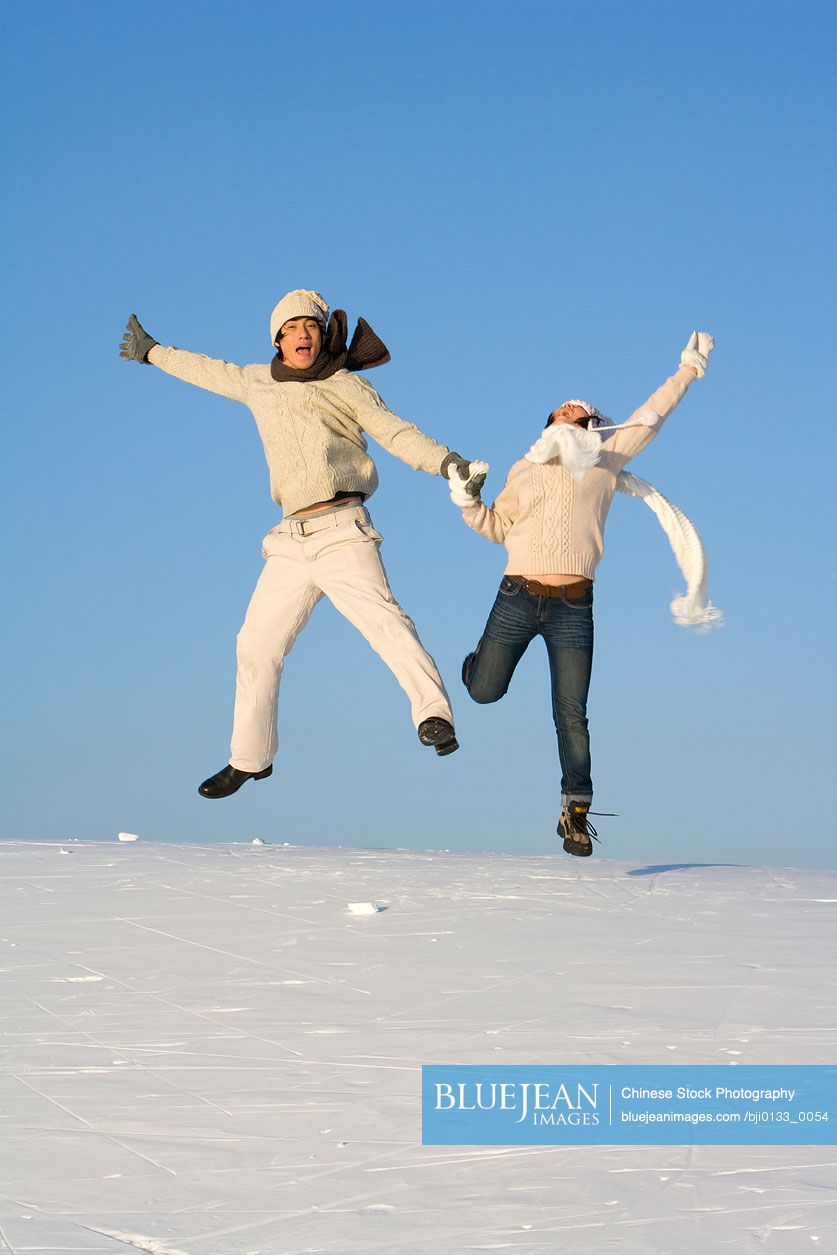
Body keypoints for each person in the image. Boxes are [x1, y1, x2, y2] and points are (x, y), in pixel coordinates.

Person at [119, 289, 483, 797]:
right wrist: (153, 351)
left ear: (322, 333)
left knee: (385, 621)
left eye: (309, 326)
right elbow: (206, 370)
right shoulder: (256, 382)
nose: (301, 335)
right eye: (290, 329)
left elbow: (397, 433)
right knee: (254, 644)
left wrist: (448, 462)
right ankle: (249, 758)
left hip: (342, 530)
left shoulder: (344, 385)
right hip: (289, 541)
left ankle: (434, 716)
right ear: (277, 340)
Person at [447, 332, 715, 856]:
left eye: (580, 408)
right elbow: (498, 526)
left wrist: (689, 367)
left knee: (572, 710)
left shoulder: (605, 459)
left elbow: (651, 414)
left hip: (574, 605)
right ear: (549, 425)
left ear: (592, 425)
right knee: (482, 693)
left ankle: (575, 810)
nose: (569, 408)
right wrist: (466, 500)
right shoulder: (523, 469)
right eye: (561, 408)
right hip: (517, 596)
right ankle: (477, 666)